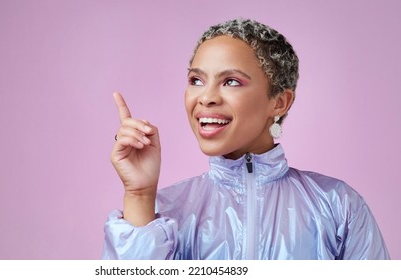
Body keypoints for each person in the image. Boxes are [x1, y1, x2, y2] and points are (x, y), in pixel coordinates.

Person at [102, 18, 390, 260]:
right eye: (196, 80)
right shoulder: (164, 213)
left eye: (231, 82)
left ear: (279, 102)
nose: (207, 97)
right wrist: (139, 196)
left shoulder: (338, 206)